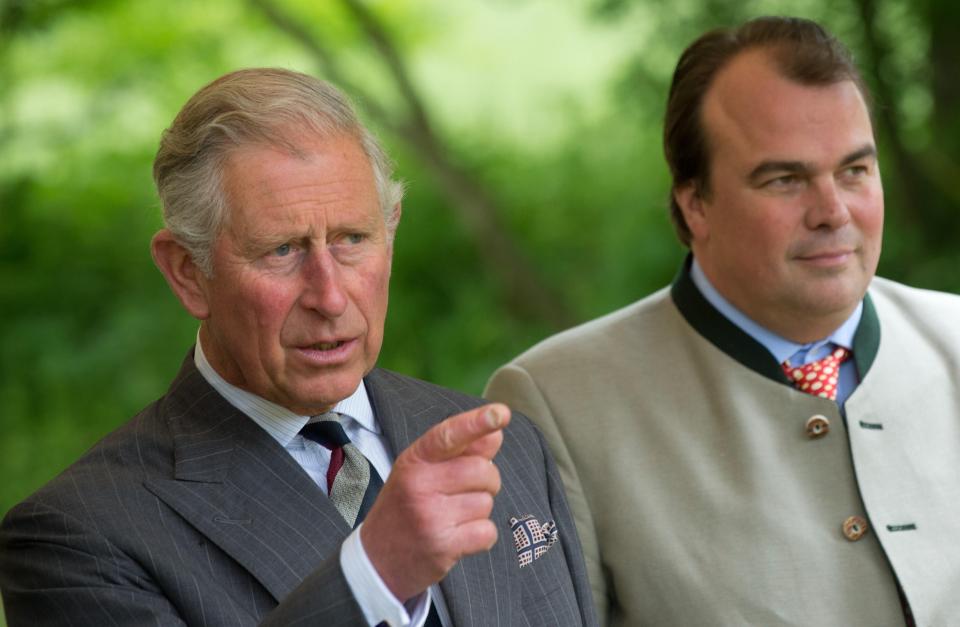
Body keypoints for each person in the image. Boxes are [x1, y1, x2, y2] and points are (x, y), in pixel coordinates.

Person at [0, 68, 597, 627]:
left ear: (391, 231)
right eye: (282, 250)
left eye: (352, 239)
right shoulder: (77, 534)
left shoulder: (506, 447)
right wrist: (373, 576)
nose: (330, 296)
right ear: (187, 272)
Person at [486, 16, 960, 627]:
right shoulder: (556, 407)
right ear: (696, 204)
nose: (833, 211)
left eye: (854, 171)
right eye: (785, 179)